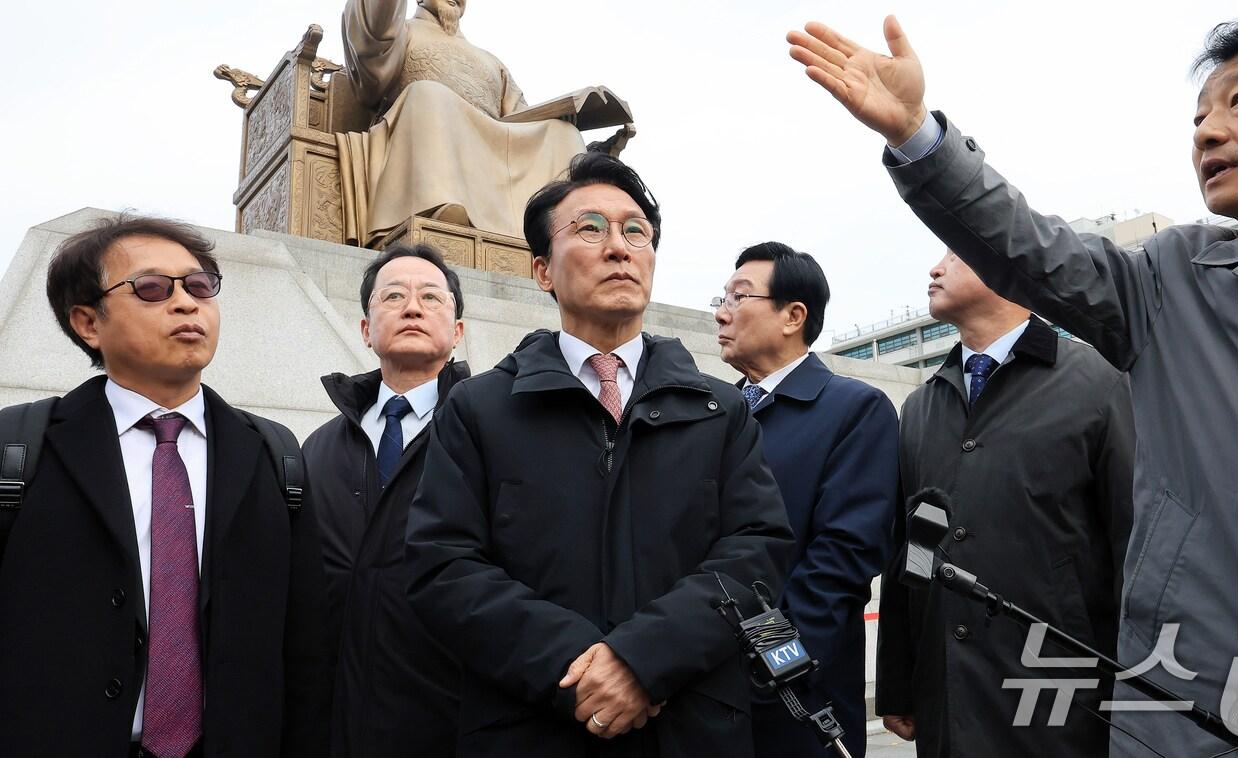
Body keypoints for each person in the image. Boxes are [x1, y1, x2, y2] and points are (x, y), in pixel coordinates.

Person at [788, 7, 1238, 756]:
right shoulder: (1168, 278)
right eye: (1198, 117)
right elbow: (1023, 243)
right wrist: (917, 134)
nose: (1207, 133)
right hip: (1200, 714)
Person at [405, 152, 795, 756]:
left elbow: (756, 551)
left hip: (689, 727)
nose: (619, 248)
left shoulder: (719, 410)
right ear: (542, 270)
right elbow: (443, 565)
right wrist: (577, 668)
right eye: (590, 228)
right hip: (531, 727)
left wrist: (644, 660)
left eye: (636, 232)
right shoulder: (479, 408)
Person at [0, 214, 330, 756]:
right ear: (88, 322)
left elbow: (306, 648)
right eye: (152, 288)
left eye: (199, 286)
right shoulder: (19, 448)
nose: (186, 304)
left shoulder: (274, 454)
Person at [874, 250, 1133, 756]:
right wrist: (899, 683)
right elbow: (912, 553)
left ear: (1009, 269)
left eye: (955, 255)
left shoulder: (1098, 382)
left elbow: (1134, 546)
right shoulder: (922, 407)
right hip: (947, 697)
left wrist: (1138, 691)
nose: (934, 269)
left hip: (1061, 698)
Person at [713, 240, 899, 758]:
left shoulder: (854, 409)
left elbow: (842, 559)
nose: (722, 313)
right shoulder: (715, 413)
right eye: (721, 298)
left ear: (793, 316)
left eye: (739, 297)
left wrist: (770, 665)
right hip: (706, 693)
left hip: (796, 699)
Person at [302, 242, 470, 756]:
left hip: (448, 722)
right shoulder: (317, 448)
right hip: (329, 721)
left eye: (431, 297)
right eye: (393, 296)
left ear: (458, 331)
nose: (412, 307)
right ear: (365, 329)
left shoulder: (486, 436)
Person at [338, 0, 586, 242]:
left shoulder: (490, 61)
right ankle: (438, 205)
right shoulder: (405, 32)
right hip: (421, 137)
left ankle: (572, 225)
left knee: (562, 134)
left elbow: (519, 117)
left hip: (491, 151)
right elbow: (371, 43)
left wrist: (559, 116)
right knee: (427, 93)